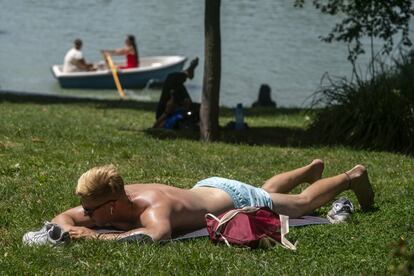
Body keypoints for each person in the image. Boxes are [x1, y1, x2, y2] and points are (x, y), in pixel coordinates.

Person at [40, 159, 373, 242]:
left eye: (88, 210)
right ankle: (308, 169)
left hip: (233, 197)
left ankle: (350, 177)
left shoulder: (155, 208)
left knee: (299, 205)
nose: (83, 214)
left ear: (111, 206)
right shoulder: (114, 198)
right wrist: (63, 228)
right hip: (208, 188)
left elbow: (154, 236)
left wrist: (94, 237)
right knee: (266, 191)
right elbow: (62, 217)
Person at [153, 57, 199, 128]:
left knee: (172, 80)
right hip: (183, 111)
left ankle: (186, 73)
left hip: (166, 114)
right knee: (173, 81)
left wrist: (167, 112)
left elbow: (155, 127)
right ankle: (187, 73)